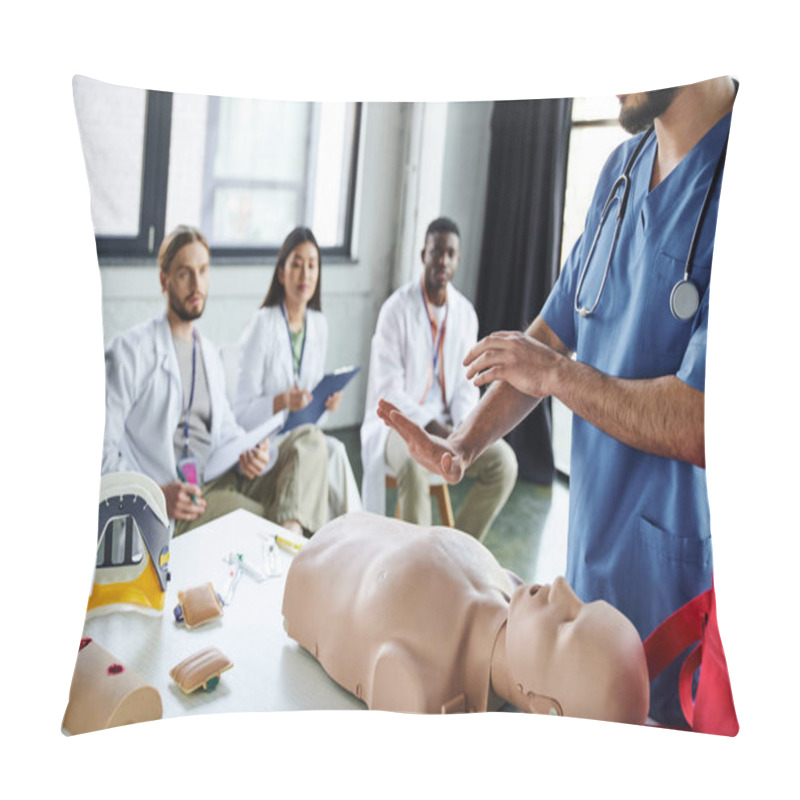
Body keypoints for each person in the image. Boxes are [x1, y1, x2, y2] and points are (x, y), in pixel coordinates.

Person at [377, 77, 737, 727]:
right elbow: (547, 339)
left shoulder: (753, 184)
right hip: (588, 567)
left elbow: (710, 421)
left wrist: (557, 377)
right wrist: (464, 445)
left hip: (675, 585)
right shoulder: (620, 172)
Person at [282, 512, 649, 724]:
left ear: (548, 709)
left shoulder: (423, 679)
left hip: (317, 575)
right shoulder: (503, 584)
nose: (562, 587)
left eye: (566, 625)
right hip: (332, 545)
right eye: (582, 603)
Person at [102, 224, 326, 537]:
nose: (197, 284)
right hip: (182, 499)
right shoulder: (130, 352)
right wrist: (156, 495)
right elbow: (100, 452)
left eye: (203, 271)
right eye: (184, 274)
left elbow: (226, 430)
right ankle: (292, 544)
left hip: (220, 474)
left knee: (311, 442)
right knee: (263, 520)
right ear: (164, 280)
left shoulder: (208, 353)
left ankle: (291, 534)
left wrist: (249, 455)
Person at [360, 217, 518, 540]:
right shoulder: (395, 310)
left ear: (457, 259)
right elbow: (389, 392)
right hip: (398, 426)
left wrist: (462, 428)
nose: (442, 260)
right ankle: (420, 570)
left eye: (450, 254)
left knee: (505, 464)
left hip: (451, 429)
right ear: (423, 256)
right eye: (436, 252)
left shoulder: (465, 314)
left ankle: (454, 552)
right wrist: (434, 428)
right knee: (416, 463)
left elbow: (466, 386)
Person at [234, 227, 361, 529]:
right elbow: (240, 413)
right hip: (268, 446)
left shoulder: (319, 325)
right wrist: (281, 401)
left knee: (337, 452)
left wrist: (326, 405)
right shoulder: (262, 324)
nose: (305, 273)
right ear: (281, 273)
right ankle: (307, 538)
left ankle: (354, 539)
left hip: (305, 438)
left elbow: (313, 419)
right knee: (320, 449)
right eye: (296, 264)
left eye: (312, 265)